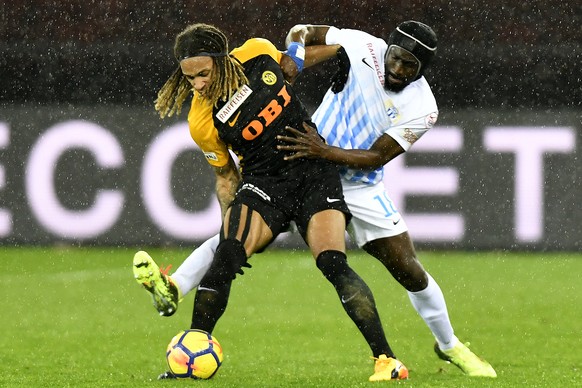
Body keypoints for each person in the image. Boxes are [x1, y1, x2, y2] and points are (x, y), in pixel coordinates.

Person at [133, 23, 408, 382]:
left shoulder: (258, 53)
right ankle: (193, 348)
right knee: (227, 256)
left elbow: (315, 55)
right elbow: (227, 178)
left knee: (332, 263)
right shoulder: (201, 121)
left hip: (312, 171)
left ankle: (386, 361)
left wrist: (342, 58)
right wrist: (228, 227)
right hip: (264, 184)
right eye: (189, 78)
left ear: (223, 59)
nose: (197, 85)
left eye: (203, 73)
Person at [275, 21, 497, 378]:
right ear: (387, 49)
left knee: (409, 270)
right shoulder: (361, 45)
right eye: (396, 58)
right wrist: (295, 57)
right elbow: (300, 30)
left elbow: (377, 156)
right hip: (309, 170)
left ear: (423, 69)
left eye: (411, 65)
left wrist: (322, 150)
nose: (398, 69)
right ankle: (177, 286)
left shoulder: (423, 108)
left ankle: (449, 345)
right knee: (246, 231)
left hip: (360, 185)